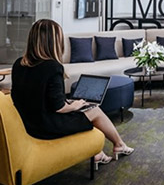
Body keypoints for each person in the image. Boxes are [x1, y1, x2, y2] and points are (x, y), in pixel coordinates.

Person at [11, 19, 134, 167]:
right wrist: (75, 105)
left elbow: (35, 96)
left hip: (28, 122)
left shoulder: (19, 64)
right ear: (53, 41)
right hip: (46, 127)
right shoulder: (52, 67)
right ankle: (119, 145)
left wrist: (70, 103)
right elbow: (59, 107)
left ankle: (97, 153)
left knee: (82, 111)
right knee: (94, 111)